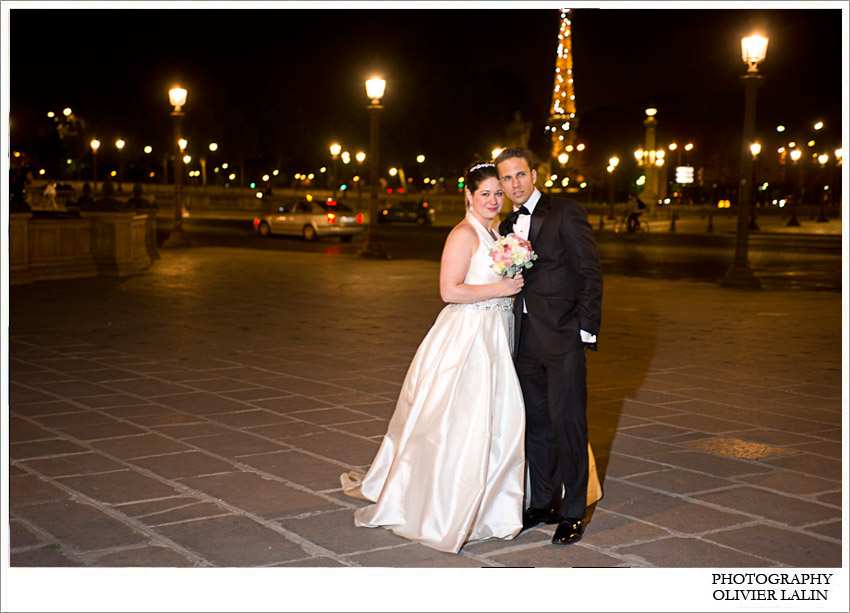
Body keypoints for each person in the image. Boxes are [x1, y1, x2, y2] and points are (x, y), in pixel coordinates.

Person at [341, 162, 526, 553]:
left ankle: (490, 501)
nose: (494, 200)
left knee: (494, 418)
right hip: (467, 336)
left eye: (498, 192)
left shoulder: (496, 232)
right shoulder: (463, 234)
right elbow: (449, 290)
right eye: (485, 194)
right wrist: (502, 288)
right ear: (468, 196)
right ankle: (443, 504)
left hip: (494, 335)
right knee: (459, 421)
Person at [495, 147, 604, 546]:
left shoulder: (565, 212)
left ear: (535, 174)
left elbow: (589, 271)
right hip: (524, 341)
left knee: (568, 423)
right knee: (538, 426)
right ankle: (543, 502)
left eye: (519, 175)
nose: (514, 184)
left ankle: (574, 510)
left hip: (563, 338)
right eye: (506, 179)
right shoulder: (507, 223)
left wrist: (585, 330)